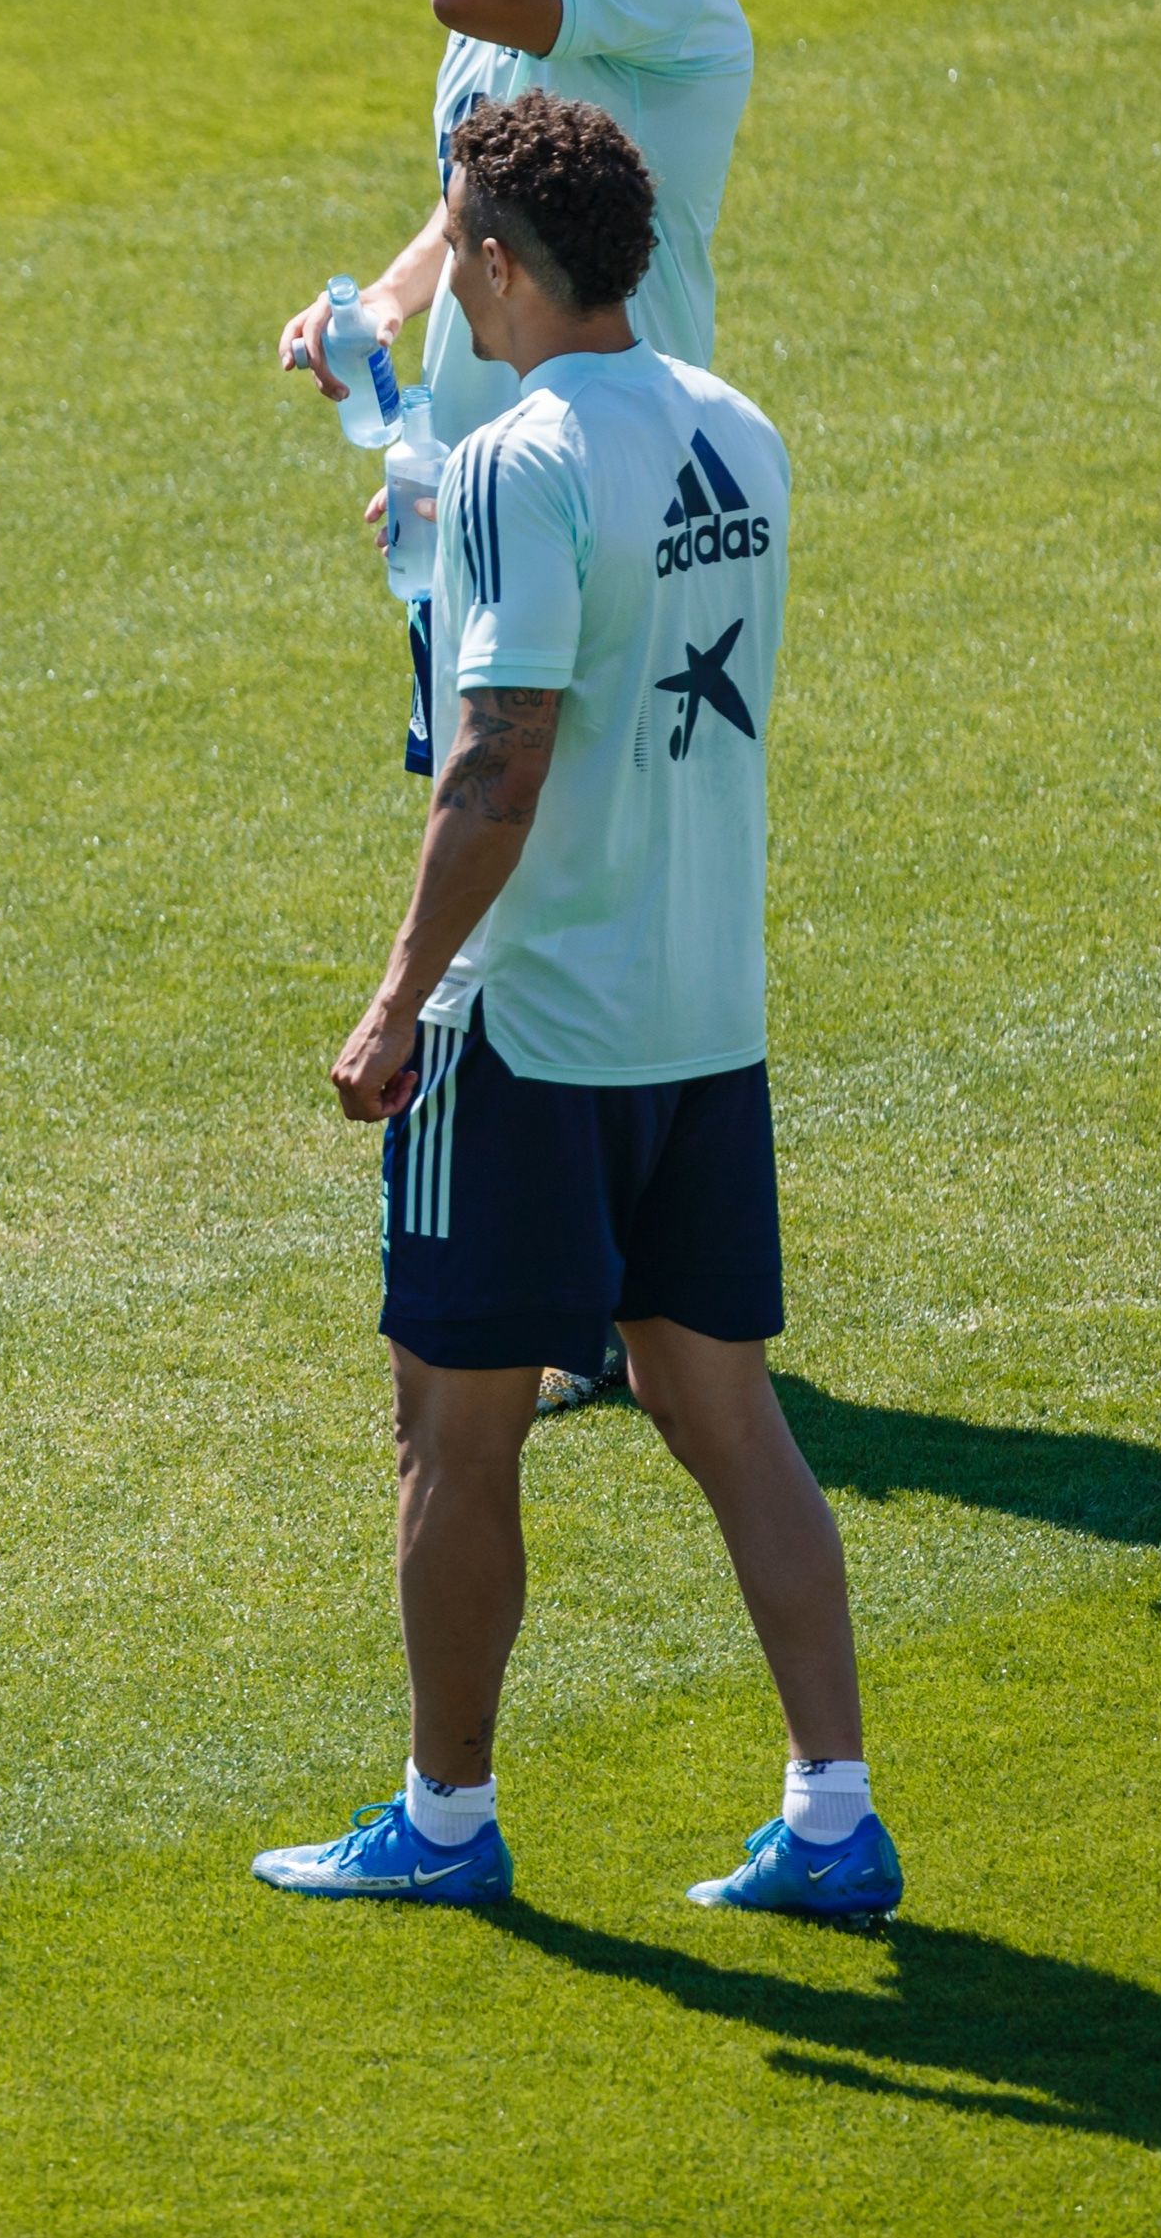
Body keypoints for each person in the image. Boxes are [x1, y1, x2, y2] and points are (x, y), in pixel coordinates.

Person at [251, 94, 897, 1925]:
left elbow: (496, 763)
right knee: (726, 1411)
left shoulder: (524, 461)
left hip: (528, 1017)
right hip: (702, 1009)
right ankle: (834, 1811)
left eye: (453, 239)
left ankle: (444, 1817)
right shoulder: (737, 427)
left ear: (494, 264)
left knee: (448, 1430)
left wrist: (394, 1001)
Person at [281, 0, 754, 1412]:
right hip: (490, 473)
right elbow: (485, 164)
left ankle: (564, 1294)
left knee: (522, 844)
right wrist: (387, 309)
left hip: (605, 475)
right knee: (510, 830)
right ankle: (612, 1291)